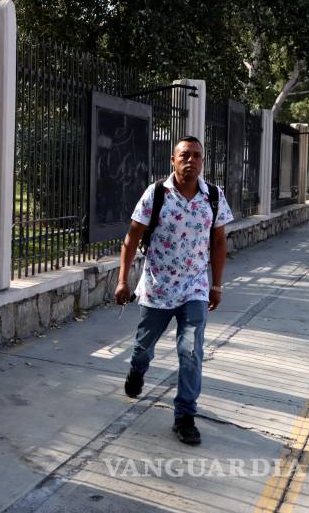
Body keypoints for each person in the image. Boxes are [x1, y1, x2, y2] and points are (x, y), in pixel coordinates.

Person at [114, 136, 233, 445]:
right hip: (157, 289)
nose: (190, 161)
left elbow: (219, 242)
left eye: (196, 156)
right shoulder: (156, 194)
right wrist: (122, 280)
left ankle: (185, 417)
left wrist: (216, 285)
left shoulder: (214, 197)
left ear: (203, 162)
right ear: (173, 160)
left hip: (194, 289)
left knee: (191, 353)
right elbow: (131, 237)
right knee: (143, 347)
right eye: (184, 155)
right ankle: (137, 370)